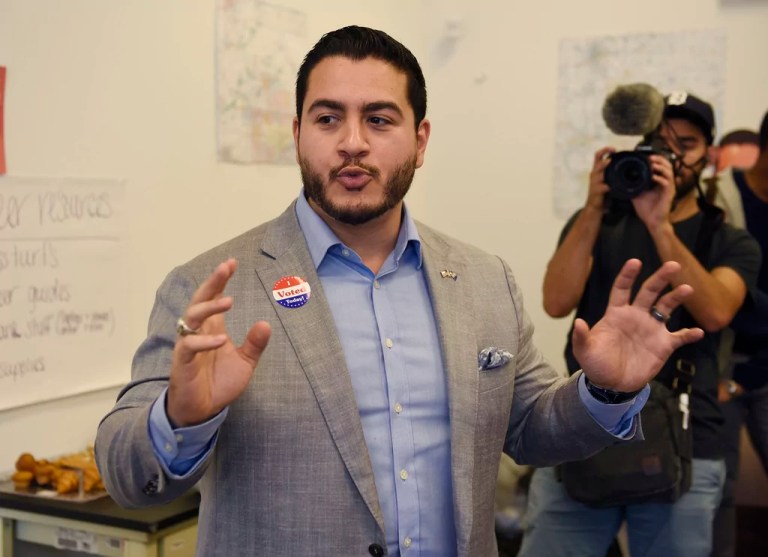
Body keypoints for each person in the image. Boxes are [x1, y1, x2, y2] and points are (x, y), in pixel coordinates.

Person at [95, 27, 706, 557]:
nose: (352, 142)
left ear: (420, 139)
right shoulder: (211, 290)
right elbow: (125, 474)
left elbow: (532, 432)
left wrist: (604, 389)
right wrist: (179, 419)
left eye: (380, 119)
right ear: (298, 133)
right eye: (328, 117)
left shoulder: (484, 278)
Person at [518, 92, 761, 557]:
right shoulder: (597, 221)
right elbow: (556, 300)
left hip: (690, 441)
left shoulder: (730, 240)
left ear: (708, 158)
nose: (670, 157)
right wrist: (592, 208)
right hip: (586, 431)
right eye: (657, 145)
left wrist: (659, 224)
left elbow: (715, 312)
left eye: (684, 145)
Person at [712, 111, 768, 557]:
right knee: (718, 488)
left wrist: (746, 381)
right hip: (721, 365)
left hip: (761, 369)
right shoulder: (721, 199)